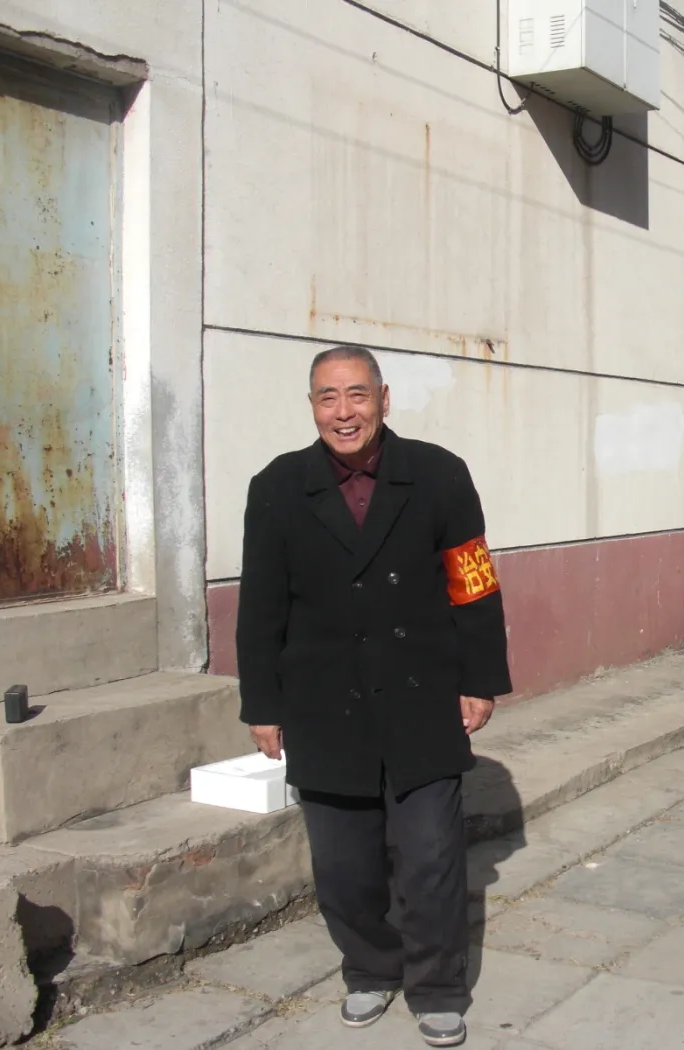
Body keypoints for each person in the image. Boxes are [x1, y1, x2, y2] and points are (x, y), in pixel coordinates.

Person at [236, 345, 510, 1048]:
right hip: (323, 703)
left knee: (432, 859)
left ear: (384, 400)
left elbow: (474, 583)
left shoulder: (439, 474)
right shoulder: (277, 486)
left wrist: (479, 679)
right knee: (343, 866)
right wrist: (262, 705)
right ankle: (368, 968)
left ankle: (438, 987)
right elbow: (260, 606)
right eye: (328, 397)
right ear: (312, 407)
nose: (344, 412)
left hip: (423, 696)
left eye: (357, 395)